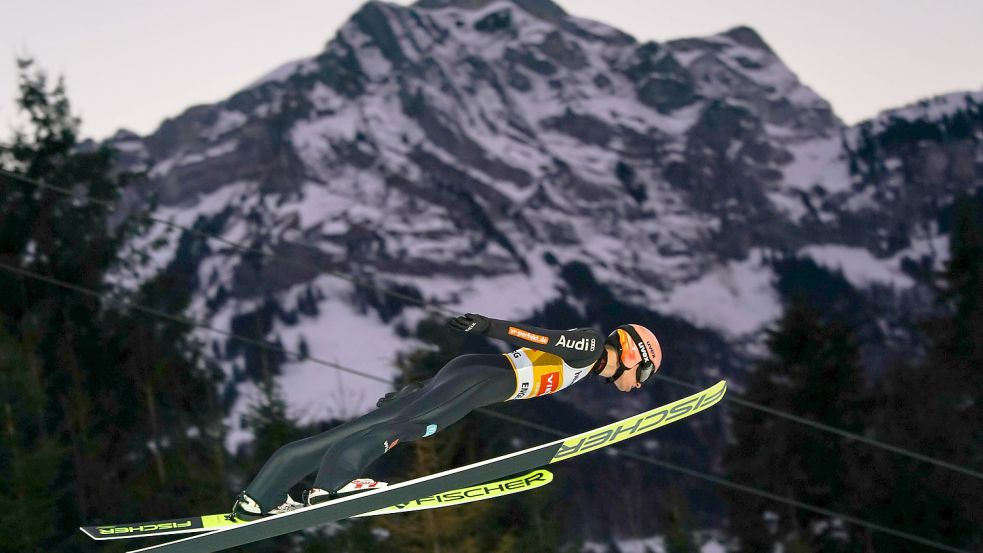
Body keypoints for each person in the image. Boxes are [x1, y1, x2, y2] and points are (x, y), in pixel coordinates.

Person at [230, 313, 663, 520]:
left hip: (468, 375)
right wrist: (488, 326)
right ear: (630, 355)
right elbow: (539, 337)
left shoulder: (588, 364)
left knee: (364, 427)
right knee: (407, 428)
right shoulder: (589, 347)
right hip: (478, 380)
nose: (640, 382)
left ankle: (260, 496)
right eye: (644, 371)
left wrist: (416, 391)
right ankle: (331, 486)